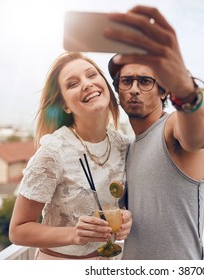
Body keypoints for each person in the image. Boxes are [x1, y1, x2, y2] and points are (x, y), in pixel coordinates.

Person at [106, 6, 204, 259]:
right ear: (118, 90)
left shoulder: (172, 127)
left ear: (164, 91)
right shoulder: (131, 147)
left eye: (145, 81)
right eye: (126, 81)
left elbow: (198, 137)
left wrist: (186, 92)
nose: (134, 89)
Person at [9, 52, 132, 260]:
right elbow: (18, 230)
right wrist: (74, 234)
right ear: (65, 105)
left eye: (91, 75)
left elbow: (120, 203)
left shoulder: (124, 145)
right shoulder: (53, 151)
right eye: (73, 84)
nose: (86, 84)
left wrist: (126, 217)